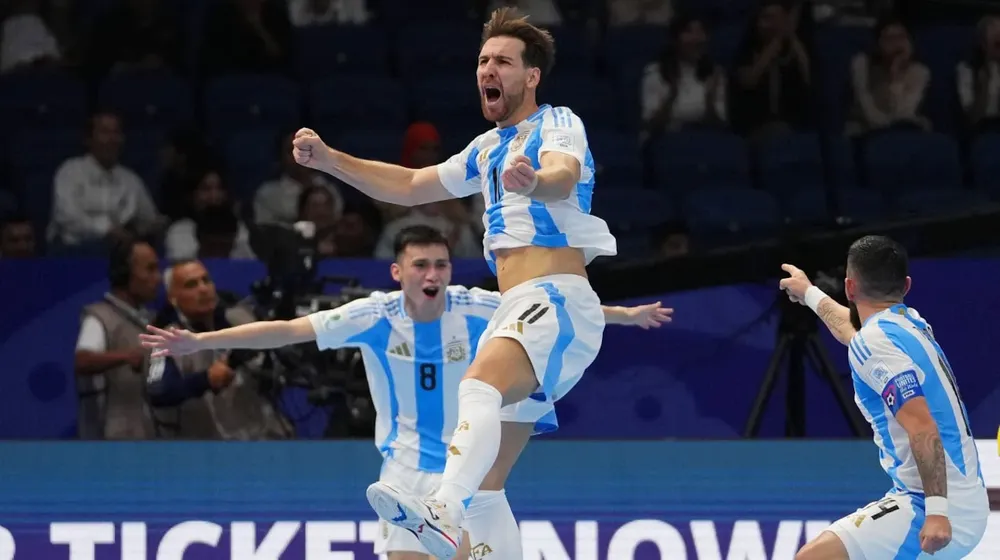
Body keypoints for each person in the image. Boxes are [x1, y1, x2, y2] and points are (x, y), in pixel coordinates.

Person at [290, 8, 618, 557]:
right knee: (488, 489)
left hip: (555, 299)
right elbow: (413, 184)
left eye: (504, 62)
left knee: (476, 388)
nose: (488, 69)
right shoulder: (485, 149)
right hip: (523, 308)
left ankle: (443, 507)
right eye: (484, 60)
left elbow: (562, 175)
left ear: (531, 76)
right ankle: (466, 510)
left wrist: (534, 180)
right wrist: (330, 161)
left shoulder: (556, 123)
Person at [139, 225, 670, 560]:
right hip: (405, 480)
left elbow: (554, 313)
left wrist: (625, 315)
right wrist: (200, 340)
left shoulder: (475, 305)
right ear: (398, 273)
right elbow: (287, 330)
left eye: (440, 264)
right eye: (421, 265)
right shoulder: (373, 316)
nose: (433, 273)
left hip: (473, 477)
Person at [779, 235, 988, 560]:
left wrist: (936, 512)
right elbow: (852, 332)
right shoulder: (909, 324)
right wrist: (808, 293)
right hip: (959, 500)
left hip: (937, 505)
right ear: (905, 285)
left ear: (849, 288)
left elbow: (921, 426)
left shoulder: (877, 342)